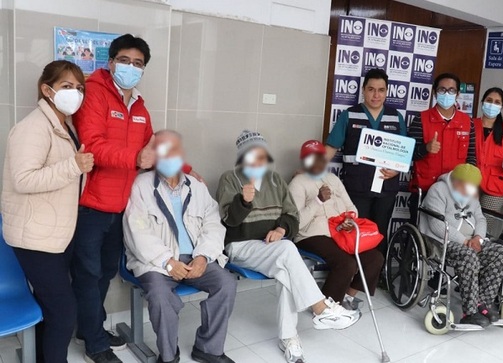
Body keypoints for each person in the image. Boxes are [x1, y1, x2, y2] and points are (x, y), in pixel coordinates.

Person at [71, 34, 197, 363]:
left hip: (124, 206)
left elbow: (155, 149)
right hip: (91, 205)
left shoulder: (139, 105)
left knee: (105, 272)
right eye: (125, 61)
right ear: (110, 62)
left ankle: (90, 328)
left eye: (138, 64)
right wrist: (134, 159)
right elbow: (92, 145)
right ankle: (94, 343)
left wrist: (186, 169)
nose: (131, 68)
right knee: (87, 273)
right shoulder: (94, 94)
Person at [216, 130, 361, 363]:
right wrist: (243, 201)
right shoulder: (230, 179)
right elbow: (228, 221)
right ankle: (321, 308)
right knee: (287, 251)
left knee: (286, 271)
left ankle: (289, 338)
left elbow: (292, 215)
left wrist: (282, 229)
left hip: (272, 247)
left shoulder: (276, 181)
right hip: (242, 246)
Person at [1, 60, 92, 363]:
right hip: (35, 237)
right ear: (46, 89)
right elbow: (24, 179)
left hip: (55, 234)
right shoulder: (32, 127)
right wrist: (73, 167)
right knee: (64, 312)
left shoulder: (64, 126)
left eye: (80, 88)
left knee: (51, 307)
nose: (75, 94)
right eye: (67, 87)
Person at [123, 130, 236, 363]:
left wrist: (203, 256)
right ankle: (168, 355)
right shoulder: (141, 186)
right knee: (160, 294)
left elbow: (213, 223)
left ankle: (208, 348)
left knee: (226, 283)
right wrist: (167, 261)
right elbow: (137, 229)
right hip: (157, 262)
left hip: (195, 258)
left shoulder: (196, 186)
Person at [289, 140, 384, 309]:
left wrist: (350, 220)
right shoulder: (298, 183)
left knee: (375, 258)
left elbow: (351, 207)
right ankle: (326, 308)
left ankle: (348, 295)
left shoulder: (332, 178)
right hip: (312, 235)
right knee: (346, 263)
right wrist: (318, 200)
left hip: (341, 232)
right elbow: (296, 222)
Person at [325, 68, 406, 255]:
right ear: (363, 90)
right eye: (371, 89)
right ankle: (356, 276)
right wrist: (310, 170)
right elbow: (331, 148)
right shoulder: (349, 115)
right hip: (357, 187)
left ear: (387, 91)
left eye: (381, 90)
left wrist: (396, 170)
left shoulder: (396, 117)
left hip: (386, 187)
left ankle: (377, 278)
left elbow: (403, 154)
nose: (376, 95)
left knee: (380, 231)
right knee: (357, 232)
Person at [418, 164, 503, 327]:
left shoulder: (471, 193)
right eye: (468, 187)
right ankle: (470, 312)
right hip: (440, 240)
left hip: (471, 240)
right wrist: (464, 241)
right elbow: (436, 225)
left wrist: (478, 238)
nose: (471, 191)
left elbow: (480, 218)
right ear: (456, 181)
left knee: (500, 252)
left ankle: (482, 303)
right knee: (468, 255)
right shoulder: (438, 190)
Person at [408, 73, 477, 223]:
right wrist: (425, 148)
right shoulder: (421, 118)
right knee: (421, 233)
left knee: (448, 237)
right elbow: (407, 155)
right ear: (434, 92)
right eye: (442, 90)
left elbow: (471, 158)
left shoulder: (467, 122)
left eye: (451, 90)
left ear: (458, 94)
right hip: (425, 189)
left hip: (455, 193)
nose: (447, 94)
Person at [474, 87, 503, 212]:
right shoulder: (471, 124)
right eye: (489, 100)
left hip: (494, 185)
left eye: (497, 102)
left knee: (488, 226)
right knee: (467, 223)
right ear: (482, 102)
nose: (492, 104)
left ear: (502, 107)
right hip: (470, 182)